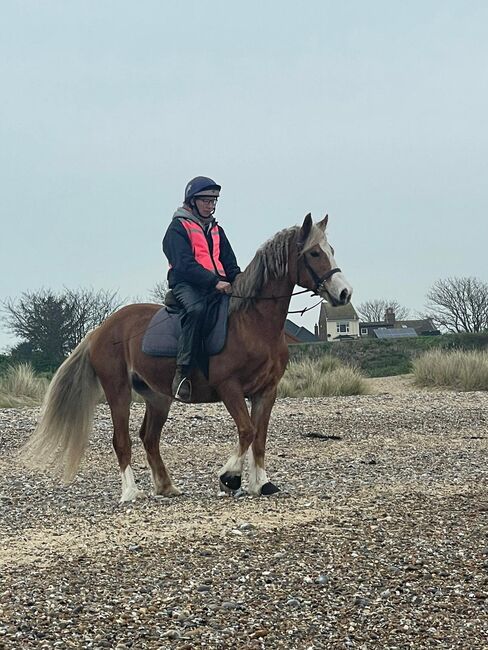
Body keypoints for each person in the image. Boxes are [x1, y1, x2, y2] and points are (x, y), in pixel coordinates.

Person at [162, 176, 241, 402]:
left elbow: (229, 262)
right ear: (192, 201)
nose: (210, 205)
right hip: (186, 284)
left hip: (217, 284)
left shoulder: (217, 230)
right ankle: (182, 373)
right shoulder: (177, 228)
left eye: (213, 200)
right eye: (205, 200)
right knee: (196, 311)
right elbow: (184, 264)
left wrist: (241, 280)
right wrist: (213, 282)